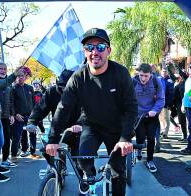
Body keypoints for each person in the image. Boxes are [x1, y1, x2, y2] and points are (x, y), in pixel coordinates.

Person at [45, 28, 137, 195]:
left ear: (108, 50)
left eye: (100, 47)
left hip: (116, 128)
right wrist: (53, 139)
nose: (95, 52)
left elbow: (131, 108)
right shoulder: (78, 77)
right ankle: (91, 180)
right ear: (84, 51)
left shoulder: (121, 73)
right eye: (89, 47)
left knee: (118, 172)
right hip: (91, 126)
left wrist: (125, 138)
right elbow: (63, 108)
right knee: (83, 161)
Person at [133, 63, 164, 173]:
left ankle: (150, 160)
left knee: (151, 138)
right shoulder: (133, 82)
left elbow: (161, 99)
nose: (143, 78)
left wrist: (155, 110)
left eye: (146, 76)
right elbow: (128, 99)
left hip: (151, 115)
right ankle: (139, 149)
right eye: (141, 75)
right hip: (138, 116)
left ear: (151, 74)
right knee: (140, 136)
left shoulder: (156, 82)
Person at [0, 62, 17, 168]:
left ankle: (5, 159)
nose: (3, 71)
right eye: (0, 68)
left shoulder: (9, 83)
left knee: (6, 139)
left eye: (5, 69)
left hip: (6, 116)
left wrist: (12, 114)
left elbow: (11, 100)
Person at [10, 67, 37, 160]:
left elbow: (34, 103)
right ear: (15, 77)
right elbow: (11, 103)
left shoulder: (29, 88)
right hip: (19, 117)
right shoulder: (12, 89)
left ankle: (33, 152)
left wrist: (35, 115)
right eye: (18, 76)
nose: (20, 78)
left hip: (30, 116)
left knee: (33, 134)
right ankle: (14, 155)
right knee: (17, 136)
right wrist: (15, 114)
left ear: (25, 77)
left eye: (22, 76)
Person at [158, 67, 175, 139]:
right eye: (163, 71)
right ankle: (161, 131)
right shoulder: (158, 79)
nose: (164, 72)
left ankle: (165, 133)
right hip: (158, 103)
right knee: (160, 118)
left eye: (165, 71)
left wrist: (169, 104)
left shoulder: (169, 81)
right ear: (161, 72)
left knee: (166, 118)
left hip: (166, 103)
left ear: (167, 72)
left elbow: (171, 94)